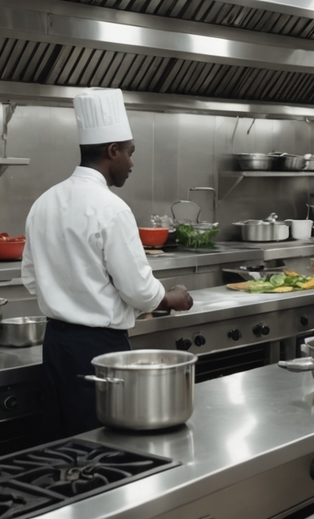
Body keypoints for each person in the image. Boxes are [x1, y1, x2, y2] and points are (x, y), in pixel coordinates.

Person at [22, 88, 194, 437]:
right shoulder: (112, 209)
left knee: (63, 444)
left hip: (55, 347)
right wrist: (171, 297)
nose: (132, 163)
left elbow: (30, 278)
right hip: (99, 348)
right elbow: (138, 290)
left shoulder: (44, 202)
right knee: (103, 445)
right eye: (130, 153)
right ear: (112, 151)